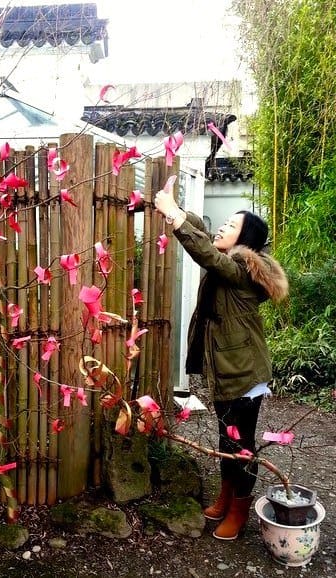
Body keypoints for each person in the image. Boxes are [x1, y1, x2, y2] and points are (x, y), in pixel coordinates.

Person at [154, 177, 288, 540]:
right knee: (225, 438)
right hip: (228, 368)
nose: (222, 228)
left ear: (245, 242)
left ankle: (240, 511)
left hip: (244, 372)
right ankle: (227, 497)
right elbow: (203, 235)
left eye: (231, 226)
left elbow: (205, 253)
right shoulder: (230, 262)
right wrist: (177, 210)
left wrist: (175, 218)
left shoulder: (241, 270)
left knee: (240, 443)